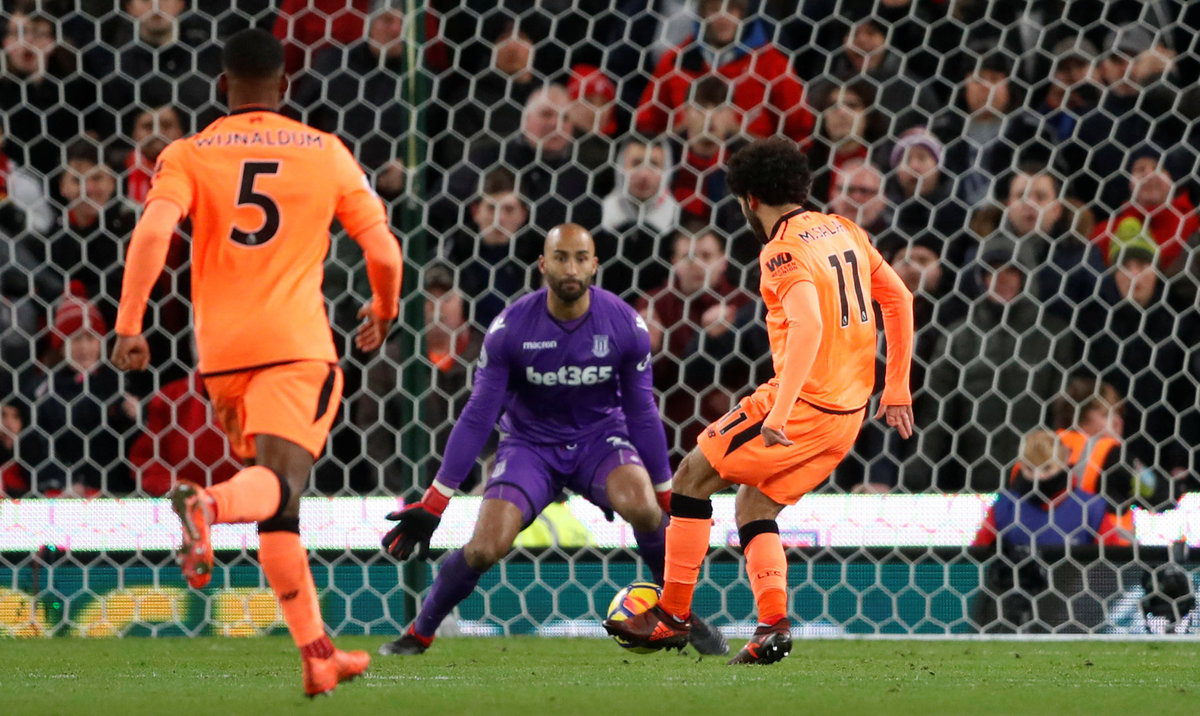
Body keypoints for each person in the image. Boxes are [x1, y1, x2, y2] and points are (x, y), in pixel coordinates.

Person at [108, 29, 402, 697]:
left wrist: (129, 324)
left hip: (220, 355)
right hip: (296, 346)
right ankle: (206, 503)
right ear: (286, 86)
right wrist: (384, 309)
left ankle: (318, 654)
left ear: (222, 86)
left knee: (279, 504)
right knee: (280, 484)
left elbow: (152, 232)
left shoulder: (188, 152)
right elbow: (384, 251)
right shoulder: (326, 151)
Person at [604, 138, 914, 664]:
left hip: (802, 405)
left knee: (690, 479)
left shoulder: (782, 251)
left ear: (749, 199)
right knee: (755, 504)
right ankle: (772, 624)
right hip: (848, 413)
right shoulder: (843, 229)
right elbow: (900, 298)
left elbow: (809, 325)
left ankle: (673, 615)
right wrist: (897, 386)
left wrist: (781, 410)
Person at [377, 224, 727, 659]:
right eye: (561, 257)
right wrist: (435, 502)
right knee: (484, 548)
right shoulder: (510, 329)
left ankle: (678, 614)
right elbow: (479, 415)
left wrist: (666, 493)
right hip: (530, 447)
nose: (571, 268)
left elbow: (641, 412)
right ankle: (420, 632)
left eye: (580, 258)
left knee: (644, 505)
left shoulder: (624, 324)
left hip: (601, 440)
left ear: (595, 265)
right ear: (543, 264)